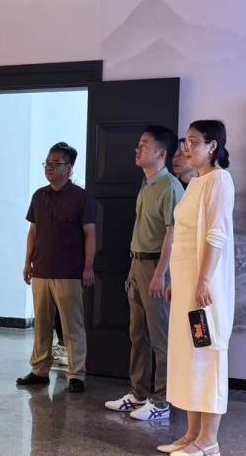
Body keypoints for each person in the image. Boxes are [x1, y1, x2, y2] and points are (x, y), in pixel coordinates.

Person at [160, 120, 235, 456]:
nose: (186, 148)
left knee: (207, 352)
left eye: (193, 141)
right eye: (185, 141)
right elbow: (185, 239)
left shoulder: (220, 180)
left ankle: (209, 440)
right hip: (187, 283)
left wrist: (204, 280)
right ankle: (191, 434)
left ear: (212, 146)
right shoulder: (195, 182)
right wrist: (178, 281)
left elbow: (216, 234)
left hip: (204, 286)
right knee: (189, 354)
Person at [104, 125, 182, 420]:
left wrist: (160, 274)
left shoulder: (170, 186)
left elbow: (172, 235)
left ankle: (161, 401)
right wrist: (133, 269)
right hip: (138, 265)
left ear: (161, 152)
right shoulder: (146, 184)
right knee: (137, 334)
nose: (137, 149)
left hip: (157, 267)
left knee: (161, 338)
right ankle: (138, 394)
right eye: (138, 144)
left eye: (144, 144)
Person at [17, 143, 96, 393]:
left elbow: (90, 234)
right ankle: (39, 370)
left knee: (72, 325)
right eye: (47, 163)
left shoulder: (81, 197)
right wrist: (27, 261)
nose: (49, 167)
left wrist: (88, 267)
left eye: (56, 163)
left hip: (69, 271)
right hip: (41, 269)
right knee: (41, 323)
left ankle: (76, 373)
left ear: (69, 168)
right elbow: (33, 231)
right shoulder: (39, 196)